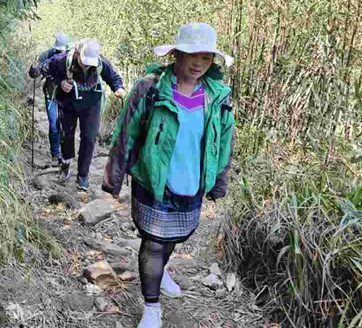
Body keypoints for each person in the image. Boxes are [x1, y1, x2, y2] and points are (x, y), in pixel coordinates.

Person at [102, 23, 235, 328]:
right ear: (176, 54)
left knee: (174, 237)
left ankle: (160, 273)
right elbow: (126, 131)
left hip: (191, 183)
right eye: (192, 55)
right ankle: (151, 307)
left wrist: (218, 182)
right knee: (153, 243)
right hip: (153, 180)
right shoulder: (149, 88)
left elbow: (224, 143)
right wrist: (113, 176)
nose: (199, 63)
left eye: (206, 57)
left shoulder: (216, 96)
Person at [40, 38, 126, 191]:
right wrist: (60, 82)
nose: (86, 65)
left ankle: (83, 175)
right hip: (67, 102)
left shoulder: (100, 62)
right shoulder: (61, 60)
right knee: (66, 134)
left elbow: (113, 77)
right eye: (84, 61)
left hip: (91, 104)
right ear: (77, 54)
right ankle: (65, 162)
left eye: (89, 63)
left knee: (89, 137)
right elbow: (46, 69)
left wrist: (118, 88)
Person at [28, 33, 73, 165]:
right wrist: (34, 69)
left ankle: (65, 154)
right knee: (54, 124)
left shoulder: (73, 57)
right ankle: (55, 154)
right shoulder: (47, 55)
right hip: (51, 93)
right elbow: (34, 73)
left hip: (67, 97)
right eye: (58, 50)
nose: (59, 53)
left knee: (66, 125)